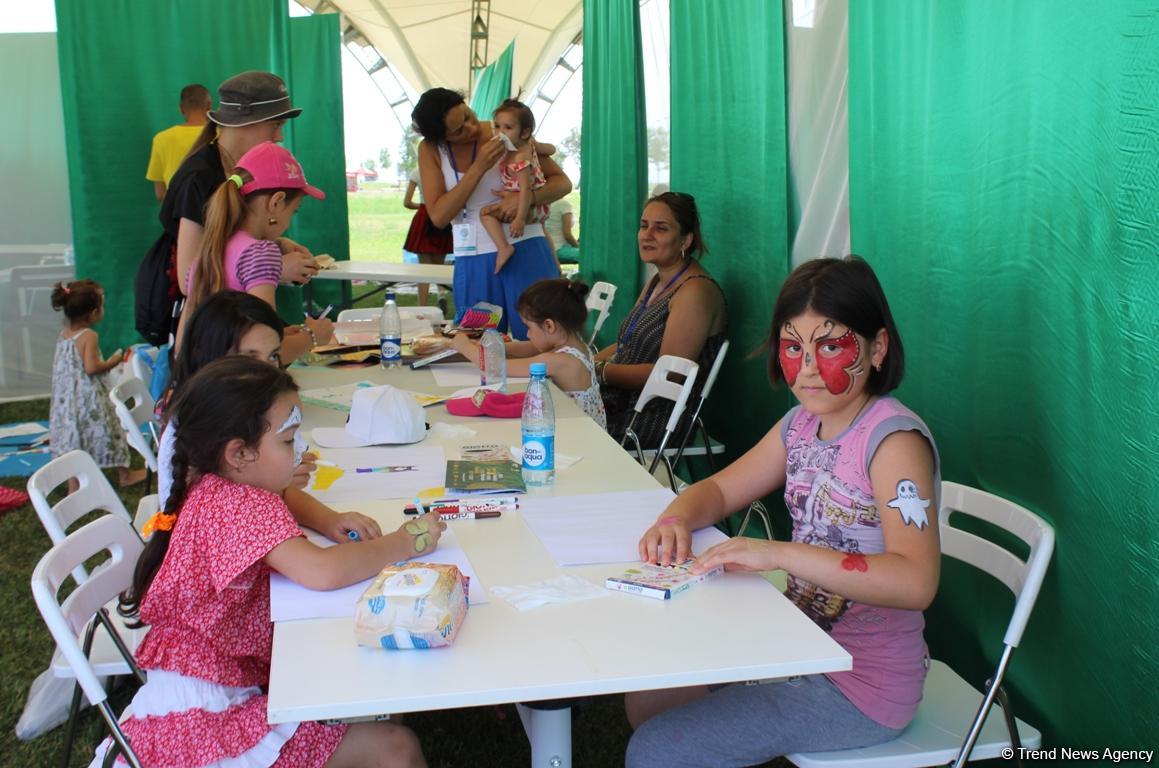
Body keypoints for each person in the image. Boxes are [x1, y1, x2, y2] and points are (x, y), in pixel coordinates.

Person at [624, 256, 942, 767]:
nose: (809, 368)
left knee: (655, 750)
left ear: (877, 348)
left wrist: (776, 554)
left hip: (862, 685)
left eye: (831, 346)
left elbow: (916, 581)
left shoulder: (892, 443)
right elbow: (720, 491)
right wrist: (675, 520)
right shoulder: (799, 425)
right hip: (797, 642)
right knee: (648, 697)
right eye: (794, 348)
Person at [102, 356, 442, 768]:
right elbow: (323, 571)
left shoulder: (217, 487)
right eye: (287, 440)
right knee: (396, 747)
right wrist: (405, 542)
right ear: (239, 453)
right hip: (211, 718)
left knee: (367, 695)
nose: (300, 449)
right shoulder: (241, 504)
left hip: (200, 691)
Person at [157, 290, 372, 544]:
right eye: (248, 357)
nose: (265, 369)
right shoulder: (195, 431)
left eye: (273, 356)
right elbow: (224, 523)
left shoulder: (247, 411)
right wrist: (274, 482)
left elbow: (273, 495)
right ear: (207, 357)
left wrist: (328, 519)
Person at [148, 71, 318, 340]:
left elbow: (226, 242)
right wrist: (275, 269)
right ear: (245, 122)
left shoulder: (240, 169)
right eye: (276, 125)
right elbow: (188, 279)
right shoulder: (200, 177)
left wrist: (277, 245)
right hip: (212, 334)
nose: (280, 137)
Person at [411, 87, 571, 340]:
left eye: (468, 115)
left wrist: (523, 199)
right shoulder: (430, 150)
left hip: (524, 245)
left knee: (541, 339)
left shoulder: (505, 129)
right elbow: (439, 216)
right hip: (473, 256)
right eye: (458, 130)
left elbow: (562, 183)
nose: (472, 127)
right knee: (479, 342)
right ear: (440, 139)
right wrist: (480, 166)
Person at [594, 192, 727, 448]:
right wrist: (584, 362)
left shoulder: (695, 292)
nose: (647, 234)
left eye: (661, 228)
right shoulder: (658, 280)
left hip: (653, 418)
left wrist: (598, 372)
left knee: (563, 427)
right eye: (644, 226)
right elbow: (626, 346)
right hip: (622, 401)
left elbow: (669, 376)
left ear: (685, 240)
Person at [181, 141, 333, 362]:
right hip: (237, 388)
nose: (289, 222)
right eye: (294, 211)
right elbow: (266, 354)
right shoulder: (262, 253)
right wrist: (313, 336)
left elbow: (183, 346)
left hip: (206, 385)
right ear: (276, 202)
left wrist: (282, 334)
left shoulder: (210, 248)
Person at [450, 278, 607, 427]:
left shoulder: (561, 361)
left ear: (549, 326)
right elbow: (531, 347)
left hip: (580, 439)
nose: (527, 335)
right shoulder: (575, 344)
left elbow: (499, 367)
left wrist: (464, 347)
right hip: (578, 429)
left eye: (529, 328)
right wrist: (494, 346)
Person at [48, 280, 146, 489]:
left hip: (67, 402)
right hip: (89, 399)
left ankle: (73, 486)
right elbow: (91, 368)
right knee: (110, 430)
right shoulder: (89, 336)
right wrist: (115, 361)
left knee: (73, 436)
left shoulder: (64, 334)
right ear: (92, 313)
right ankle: (125, 475)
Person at [478, 99, 550, 274]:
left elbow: (525, 189)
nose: (500, 133)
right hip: (531, 206)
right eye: (497, 126)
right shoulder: (528, 145)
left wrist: (519, 218)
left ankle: (503, 247)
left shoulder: (519, 158)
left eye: (508, 128)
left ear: (524, 132)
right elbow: (550, 149)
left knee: (485, 214)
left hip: (530, 208)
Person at [145, 83, 211, 201]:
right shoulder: (221, 135)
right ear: (209, 105)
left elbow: (160, 193)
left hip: (178, 213)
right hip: (216, 210)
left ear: (181, 108)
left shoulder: (161, 139)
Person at [402, 164, 451, 307]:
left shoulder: (417, 172)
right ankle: (441, 293)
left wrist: (422, 205)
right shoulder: (445, 171)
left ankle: (422, 306)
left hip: (424, 216)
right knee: (439, 265)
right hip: (442, 215)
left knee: (423, 268)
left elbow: (407, 202)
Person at [542, 197, 579, 264]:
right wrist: (579, 247)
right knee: (589, 256)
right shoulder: (563, 204)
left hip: (547, 247)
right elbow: (567, 235)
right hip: (557, 249)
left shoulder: (544, 203)